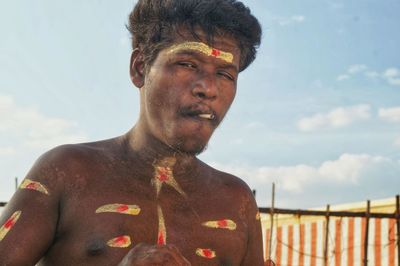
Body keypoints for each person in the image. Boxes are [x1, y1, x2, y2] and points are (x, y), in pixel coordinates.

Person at [0, 0, 262, 265]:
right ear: (140, 68)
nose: (208, 88)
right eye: (188, 64)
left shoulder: (237, 201)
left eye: (225, 75)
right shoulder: (68, 173)